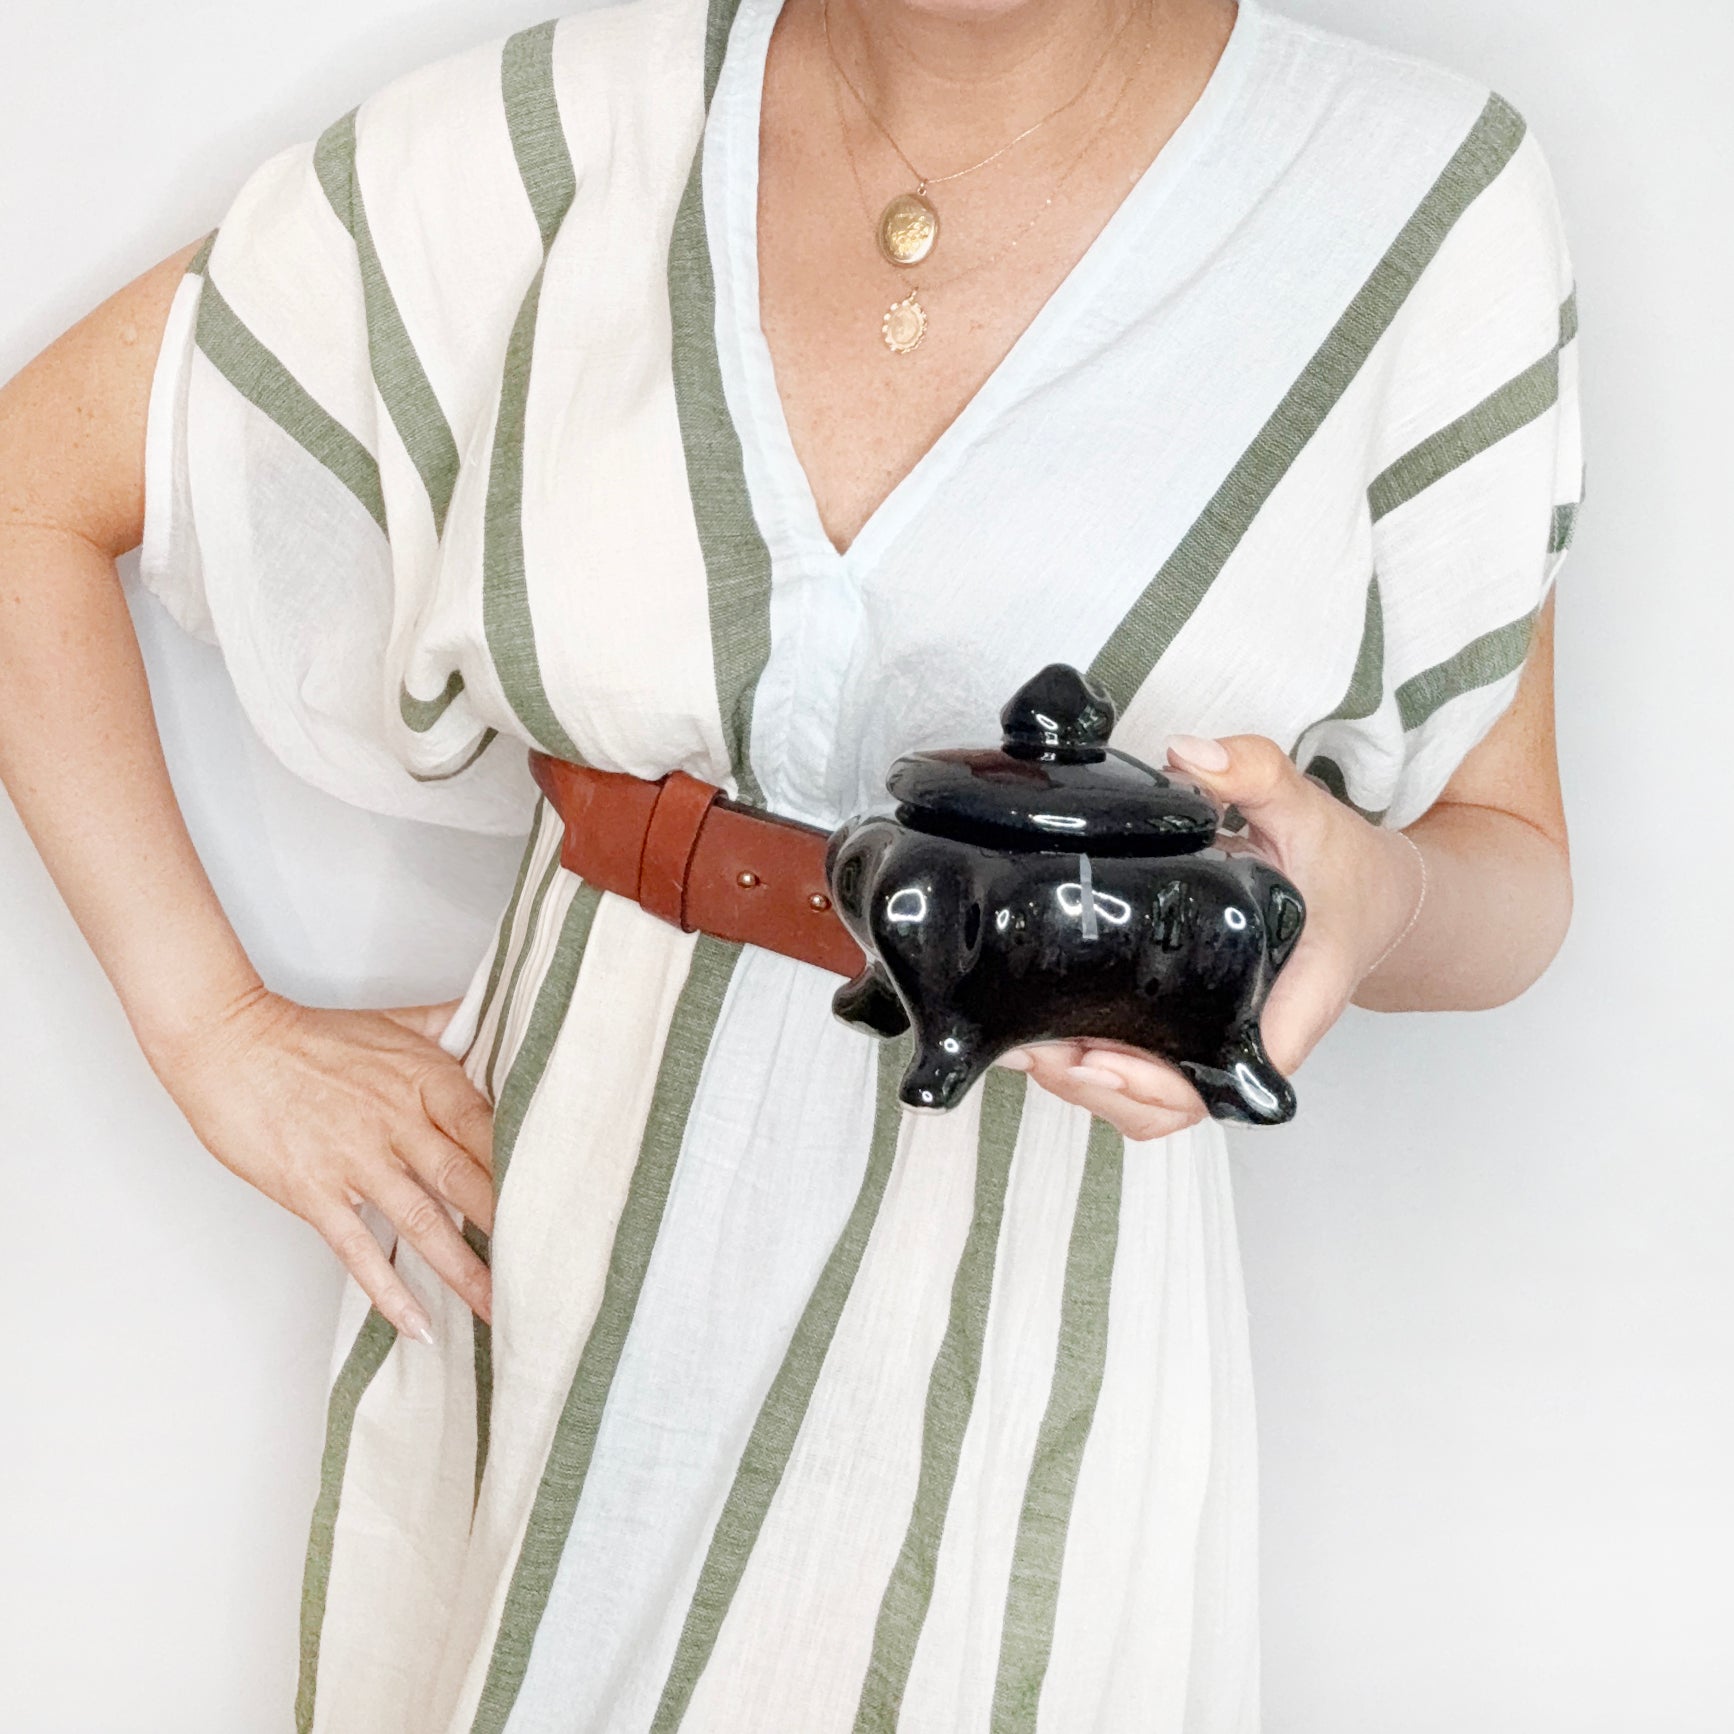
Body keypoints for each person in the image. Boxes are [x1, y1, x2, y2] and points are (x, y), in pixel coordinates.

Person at [0, 0, 1580, 1725]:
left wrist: (1365, 894)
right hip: (548, 1274)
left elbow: (1509, 863)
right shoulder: (571, 137)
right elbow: (28, 486)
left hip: (1018, 1340)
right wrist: (211, 1029)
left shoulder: (1412, 200)